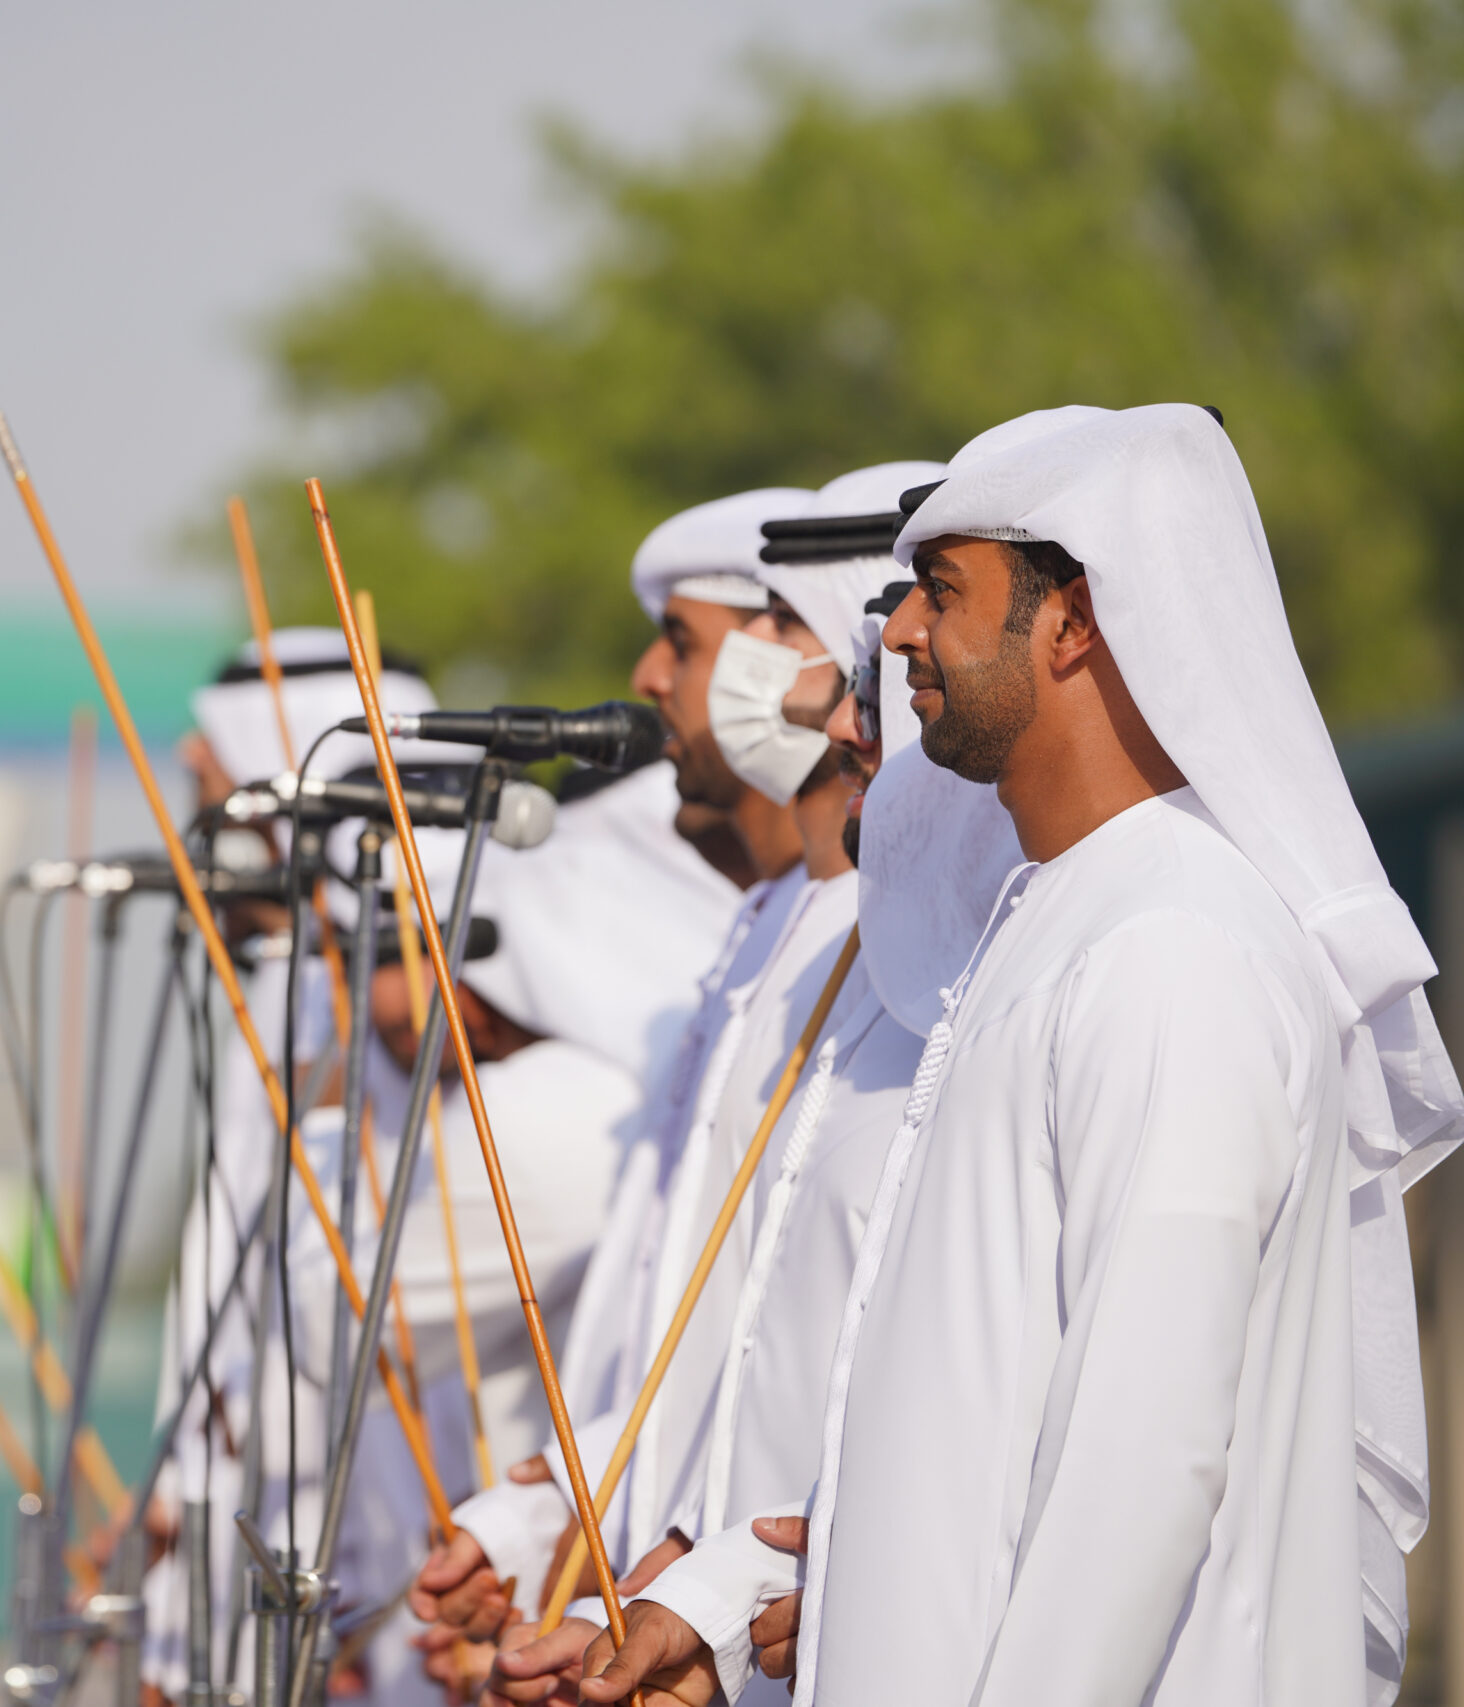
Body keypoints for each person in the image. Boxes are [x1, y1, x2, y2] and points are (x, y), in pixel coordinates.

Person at [586, 403, 1461, 1707]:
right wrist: (727, 1600)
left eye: (938, 591)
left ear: (1072, 619)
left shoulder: (1176, 943)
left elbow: (1146, 1453)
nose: (892, 635)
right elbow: (978, 1403)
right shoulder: (1048, 919)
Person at [486, 465, 1015, 1706]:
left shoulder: (994, 950)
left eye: (786, 625)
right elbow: (727, 1355)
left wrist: (718, 1595)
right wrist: (641, 1575)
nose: (787, 684)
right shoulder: (798, 930)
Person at [408, 488, 814, 1699]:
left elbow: (843, 1365)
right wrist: (547, 1530)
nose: (645, 676)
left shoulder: (888, 962)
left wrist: (684, 1605)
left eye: (680, 644)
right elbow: (698, 1363)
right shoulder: (765, 944)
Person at [283, 760, 741, 1700]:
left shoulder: (553, 1108)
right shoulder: (618, 1090)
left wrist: (335, 1109)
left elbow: (329, 1326)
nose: (367, 1002)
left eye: (388, 951)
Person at [143, 629, 465, 1706]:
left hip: (394, 1570)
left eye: (215, 790)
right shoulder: (278, 991)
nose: (197, 830)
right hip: (256, 1531)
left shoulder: (388, 1006)